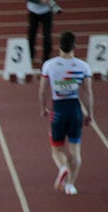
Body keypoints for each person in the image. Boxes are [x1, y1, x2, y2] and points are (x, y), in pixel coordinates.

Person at [38, 31, 94, 196]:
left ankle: (63, 167)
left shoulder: (49, 65)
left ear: (59, 46)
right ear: (74, 46)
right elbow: (88, 92)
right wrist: (90, 114)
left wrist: (43, 108)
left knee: (56, 149)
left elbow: (42, 90)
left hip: (58, 110)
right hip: (75, 110)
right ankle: (71, 185)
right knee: (75, 150)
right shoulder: (83, 66)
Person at [26, 0, 60, 67]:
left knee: (47, 36)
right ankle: (29, 57)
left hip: (47, 12)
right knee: (31, 35)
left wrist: (52, 1)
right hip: (34, 11)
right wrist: (39, 1)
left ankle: (46, 59)